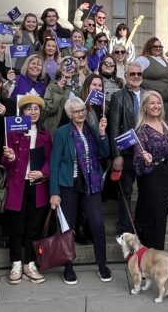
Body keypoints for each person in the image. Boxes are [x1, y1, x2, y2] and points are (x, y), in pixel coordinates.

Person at [49, 97, 111, 285]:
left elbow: (105, 153)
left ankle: (102, 265)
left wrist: (102, 134)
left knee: (98, 225)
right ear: (69, 114)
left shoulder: (91, 130)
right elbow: (55, 163)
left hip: (91, 184)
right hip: (69, 185)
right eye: (76, 111)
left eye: (82, 109)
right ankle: (68, 267)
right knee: (68, 228)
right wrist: (54, 192)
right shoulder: (62, 133)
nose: (81, 113)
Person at [0, 95, 52, 285]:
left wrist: (43, 173)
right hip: (17, 186)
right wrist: (10, 157)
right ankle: (16, 263)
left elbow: (50, 159)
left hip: (37, 187)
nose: (33, 112)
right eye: (29, 109)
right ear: (22, 112)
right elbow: (6, 163)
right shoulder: (13, 133)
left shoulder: (46, 135)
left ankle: (30, 264)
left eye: (36, 108)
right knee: (16, 227)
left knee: (33, 227)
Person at [133, 91, 168, 250]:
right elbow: (137, 165)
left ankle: (156, 255)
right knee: (153, 218)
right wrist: (146, 160)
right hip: (151, 178)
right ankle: (149, 255)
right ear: (145, 107)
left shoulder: (166, 124)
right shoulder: (141, 131)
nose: (156, 106)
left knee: (161, 218)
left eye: (158, 103)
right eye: (152, 103)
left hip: (167, 177)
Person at [108, 61, 144, 234]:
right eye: (132, 74)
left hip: (146, 153)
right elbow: (114, 127)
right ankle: (125, 227)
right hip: (127, 152)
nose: (136, 77)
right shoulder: (118, 97)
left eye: (139, 74)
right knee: (126, 191)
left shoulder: (149, 95)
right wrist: (117, 155)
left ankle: (141, 224)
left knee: (145, 191)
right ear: (126, 76)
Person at [137, 37, 168, 126]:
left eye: (160, 46)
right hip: (153, 104)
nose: (158, 48)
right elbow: (133, 73)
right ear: (149, 47)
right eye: (155, 46)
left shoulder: (163, 60)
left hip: (167, 104)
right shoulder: (143, 59)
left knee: (166, 130)